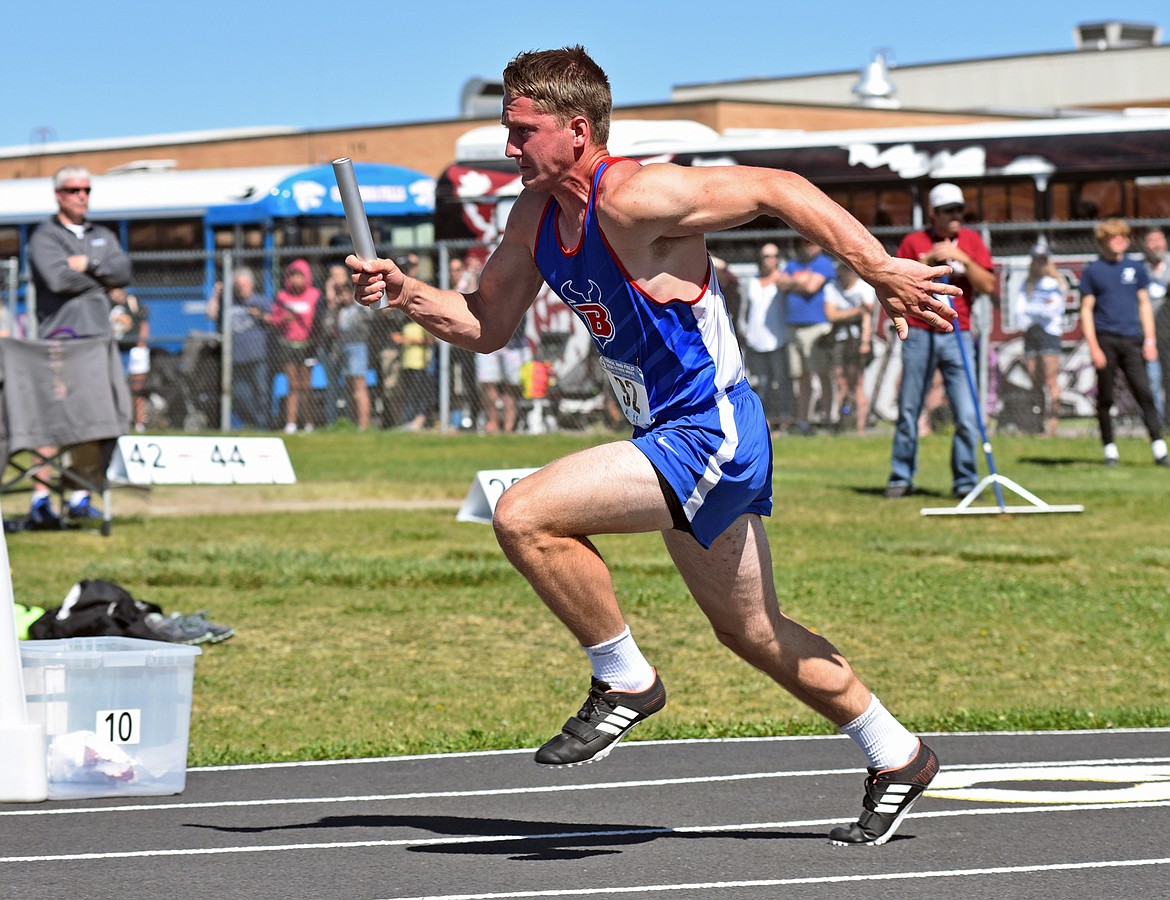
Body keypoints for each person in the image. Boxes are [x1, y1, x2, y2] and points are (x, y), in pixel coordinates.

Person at [348, 45, 959, 846]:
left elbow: (781, 188)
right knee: (752, 631)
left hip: (711, 431)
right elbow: (487, 324)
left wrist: (879, 269)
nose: (509, 147)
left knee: (525, 514)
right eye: (506, 129)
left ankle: (624, 678)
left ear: (575, 129)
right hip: (666, 435)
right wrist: (406, 293)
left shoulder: (641, 197)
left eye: (521, 131)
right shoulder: (533, 216)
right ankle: (898, 754)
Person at [26, 165, 132, 527]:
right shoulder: (45, 236)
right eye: (74, 190)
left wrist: (89, 264)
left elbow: (123, 272)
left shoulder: (101, 234)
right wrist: (98, 281)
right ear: (59, 194)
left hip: (97, 342)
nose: (82, 196)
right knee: (52, 422)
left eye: (87, 189)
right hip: (60, 342)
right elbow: (56, 278)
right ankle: (40, 500)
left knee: (93, 422)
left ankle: (80, 495)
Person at [884, 183, 996, 499]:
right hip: (920, 333)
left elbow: (988, 284)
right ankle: (900, 477)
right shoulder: (913, 242)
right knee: (909, 408)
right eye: (949, 211)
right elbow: (895, 286)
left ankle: (964, 480)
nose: (956, 216)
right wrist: (928, 263)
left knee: (967, 410)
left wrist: (962, 258)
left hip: (957, 332)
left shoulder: (971, 241)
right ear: (933, 213)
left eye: (960, 210)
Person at [1078, 218, 1169, 467]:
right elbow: (1086, 310)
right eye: (1115, 237)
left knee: (1145, 392)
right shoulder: (1093, 271)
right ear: (1103, 241)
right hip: (1105, 340)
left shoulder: (1135, 268)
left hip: (1133, 341)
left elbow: (1144, 305)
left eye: (1124, 236)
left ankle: (1159, 448)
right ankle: (1110, 450)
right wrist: (1094, 346)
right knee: (1106, 397)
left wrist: (1149, 340)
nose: (1121, 241)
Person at [778, 237, 836, 434]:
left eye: (811, 243)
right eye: (803, 243)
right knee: (801, 377)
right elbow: (779, 282)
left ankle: (828, 418)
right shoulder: (793, 264)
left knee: (822, 374)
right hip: (794, 327)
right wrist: (800, 280)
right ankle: (804, 421)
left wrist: (793, 282)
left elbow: (811, 287)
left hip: (816, 327)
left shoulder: (824, 263)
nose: (807, 247)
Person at [1012, 242, 1068, 437]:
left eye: (1043, 260)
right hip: (1031, 333)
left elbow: (1051, 311)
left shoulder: (1056, 283)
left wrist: (1033, 310)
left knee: (1051, 380)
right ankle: (1037, 422)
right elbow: (1019, 311)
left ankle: (1053, 423)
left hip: (1049, 334)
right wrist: (1036, 311)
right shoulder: (1027, 284)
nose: (1040, 264)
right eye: (1037, 260)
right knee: (1035, 379)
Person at [206, 266, 273, 430]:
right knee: (242, 395)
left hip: (258, 356)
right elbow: (210, 314)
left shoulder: (261, 301)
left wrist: (260, 315)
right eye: (238, 285)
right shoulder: (229, 301)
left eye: (244, 285)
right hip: (236, 358)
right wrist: (216, 295)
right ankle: (250, 422)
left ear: (251, 284)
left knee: (262, 393)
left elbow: (274, 320)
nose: (241, 289)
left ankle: (263, 427)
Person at [737, 243, 792, 430]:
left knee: (781, 380)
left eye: (774, 256)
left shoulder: (783, 281)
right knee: (761, 382)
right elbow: (745, 310)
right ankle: (764, 420)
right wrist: (744, 331)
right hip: (755, 340)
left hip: (778, 338)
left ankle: (785, 419)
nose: (771, 260)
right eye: (767, 256)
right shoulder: (750, 282)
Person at [269, 259, 321, 434]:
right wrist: (284, 319)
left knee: (306, 386)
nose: (296, 280)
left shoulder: (314, 295)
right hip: (288, 345)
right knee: (293, 385)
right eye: (293, 276)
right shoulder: (283, 297)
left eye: (300, 276)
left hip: (308, 346)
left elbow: (319, 319)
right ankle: (291, 423)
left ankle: (308, 422)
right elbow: (274, 319)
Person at [823, 262, 876, 434]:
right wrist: (855, 311)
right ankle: (843, 423)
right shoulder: (832, 287)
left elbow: (867, 316)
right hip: (839, 339)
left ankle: (861, 427)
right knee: (840, 382)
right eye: (842, 270)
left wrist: (865, 343)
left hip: (858, 340)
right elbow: (831, 315)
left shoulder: (865, 288)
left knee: (857, 383)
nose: (845, 274)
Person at [332, 263, 374, 430]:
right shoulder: (341, 310)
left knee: (359, 388)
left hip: (358, 347)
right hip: (345, 347)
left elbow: (368, 317)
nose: (342, 296)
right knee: (349, 387)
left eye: (344, 292)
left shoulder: (359, 308)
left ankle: (364, 425)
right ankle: (353, 422)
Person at [109, 288, 150, 433]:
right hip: (115, 351)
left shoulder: (133, 302)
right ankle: (118, 421)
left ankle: (139, 423)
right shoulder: (106, 304)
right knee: (116, 387)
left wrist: (141, 343)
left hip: (134, 349)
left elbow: (144, 322)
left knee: (137, 386)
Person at [1139, 227, 1169, 425]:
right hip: (1148, 336)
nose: (1157, 244)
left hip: (1169, 334)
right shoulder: (1138, 270)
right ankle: (1155, 424)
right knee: (1151, 381)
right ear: (1144, 245)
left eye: (1160, 240)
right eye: (1152, 240)